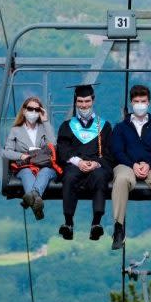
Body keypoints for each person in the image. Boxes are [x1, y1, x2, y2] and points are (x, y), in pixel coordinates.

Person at [109, 84, 151, 251]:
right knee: (121, 178)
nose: (140, 104)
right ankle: (118, 227)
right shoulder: (121, 128)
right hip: (127, 165)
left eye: (143, 101)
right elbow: (117, 150)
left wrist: (149, 164)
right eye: (136, 101)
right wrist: (133, 165)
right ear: (131, 103)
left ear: (149, 103)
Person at [56, 84, 113, 241]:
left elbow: (109, 152)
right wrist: (79, 162)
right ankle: (68, 223)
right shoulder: (67, 126)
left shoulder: (104, 126)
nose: (83, 105)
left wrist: (96, 163)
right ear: (75, 102)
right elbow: (63, 150)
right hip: (75, 164)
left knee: (100, 176)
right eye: (80, 101)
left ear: (93, 101)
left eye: (87, 101)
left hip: (97, 165)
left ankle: (96, 223)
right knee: (69, 177)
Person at [2, 96, 60, 220]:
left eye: (36, 109)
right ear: (24, 111)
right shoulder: (15, 131)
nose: (33, 112)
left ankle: (30, 197)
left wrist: (45, 121)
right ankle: (36, 201)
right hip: (25, 165)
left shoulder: (45, 128)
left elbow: (53, 145)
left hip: (45, 165)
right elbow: (7, 152)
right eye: (30, 109)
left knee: (45, 172)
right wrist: (22, 155)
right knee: (27, 173)